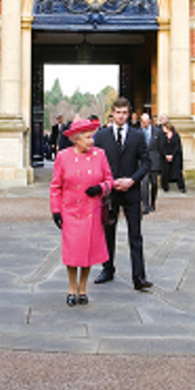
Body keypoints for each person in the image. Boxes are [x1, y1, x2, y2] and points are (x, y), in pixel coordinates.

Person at [49, 117, 113, 305]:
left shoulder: (100, 155)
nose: (91, 141)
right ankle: (71, 289)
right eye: (86, 138)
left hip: (91, 210)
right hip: (70, 211)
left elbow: (110, 180)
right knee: (72, 253)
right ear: (76, 139)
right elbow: (55, 187)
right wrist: (55, 210)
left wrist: (100, 188)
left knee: (88, 253)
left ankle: (83, 289)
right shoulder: (63, 156)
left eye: (91, 137)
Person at [93, 97, 153, 291]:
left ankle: (139, 277)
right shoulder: (101, 136)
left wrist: (132, 180)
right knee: (108, 233)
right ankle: (107, 269)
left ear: (129, 114)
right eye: (118, 112)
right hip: (110, 193)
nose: (121, 116)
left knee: (135, 235)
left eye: (124, 113)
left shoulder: (137, 136)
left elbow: (146, 163)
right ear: (112, 113)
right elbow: (96, 164)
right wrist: (109, 183)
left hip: (131, 192)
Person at [140, 112, 163, 213]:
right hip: (143, 162)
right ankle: (145, 205)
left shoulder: (157, 132)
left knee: (154, 183)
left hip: (155, 161)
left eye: (146, 121)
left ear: (149, 121)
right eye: (143, 122)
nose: (144, 123)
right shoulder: (138, 133)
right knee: (144, 184)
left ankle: (152, 202)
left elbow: (161, 147)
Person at [161, 122, 186, 193]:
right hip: (165, 156)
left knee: (177, 172)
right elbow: (161, 146)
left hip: (175, 157)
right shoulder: (162, 136)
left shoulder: (175, 136)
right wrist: (166, 154)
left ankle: (181, 187)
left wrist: (172, 155)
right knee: (165, 172)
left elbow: (177, 147)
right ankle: (165, 187)